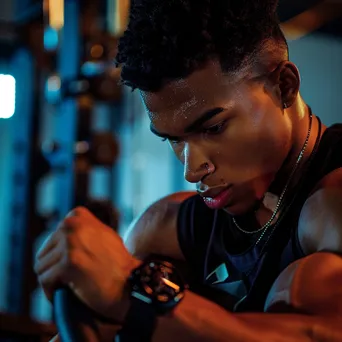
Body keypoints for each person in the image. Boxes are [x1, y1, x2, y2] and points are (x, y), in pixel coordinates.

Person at [35, 0, 342, 341]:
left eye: (214, 128)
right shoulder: (166, 228)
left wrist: (139, 298)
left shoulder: (332, 202)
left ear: (284, 86)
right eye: (174, 140)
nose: (193, 170)